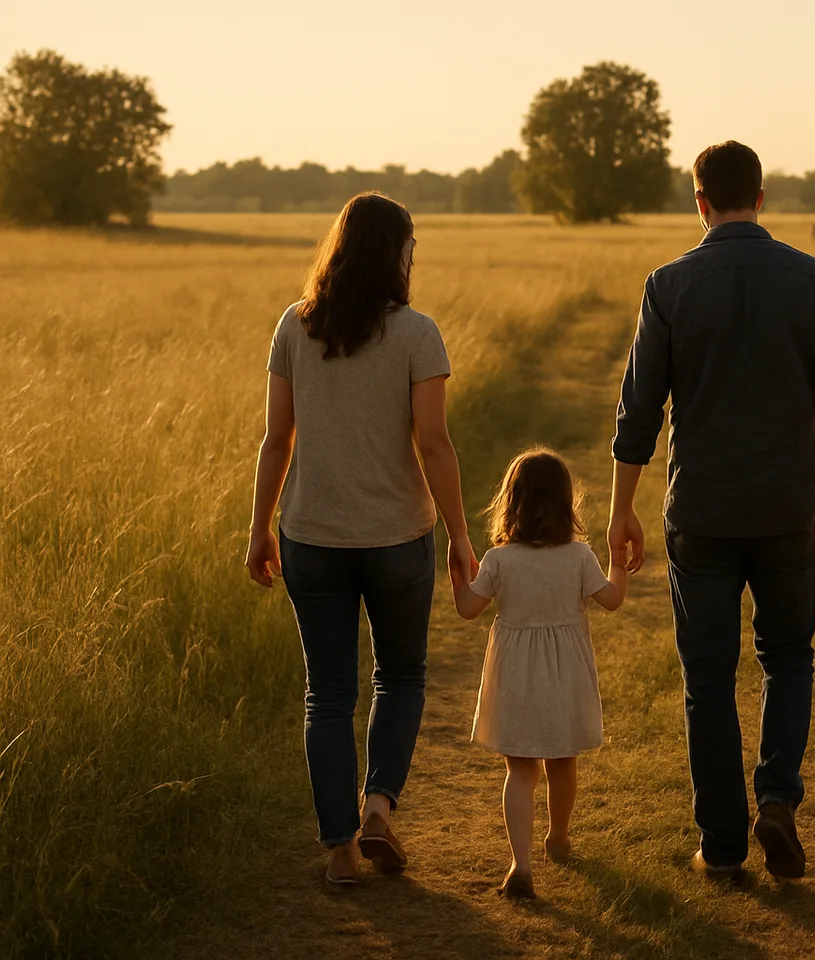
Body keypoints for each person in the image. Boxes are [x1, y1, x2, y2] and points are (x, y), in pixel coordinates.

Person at [608, 141, 815, 880]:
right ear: (762, 198)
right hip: (791, 507)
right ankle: (779, 800)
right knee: (789, 658)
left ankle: (722, 845)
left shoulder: (668, 285)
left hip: (702, 512)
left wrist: (622, 508)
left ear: (700, 202)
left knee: (708, 679)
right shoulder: (814, 280)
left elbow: (639, 413)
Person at [245, 192, 479, 887]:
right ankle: (379, 808)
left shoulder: (295, 325)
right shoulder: (417, 333)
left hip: (311, 535)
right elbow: (434, 445)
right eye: (411, 248)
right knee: (401, 676)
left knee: (327, 695)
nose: (414, 259)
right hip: (398, 537)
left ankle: (340, 852)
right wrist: (461, 536)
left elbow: (274, 441)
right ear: (395, 254)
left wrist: (259, 525)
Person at [453, 447, 627, 900]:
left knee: (521, 769)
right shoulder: (579, 556)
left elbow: (468, 609)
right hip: (564, 674)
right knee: (562, 761)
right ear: (566, 503)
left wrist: (459, 575)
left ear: (511, 503)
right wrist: (620, 563)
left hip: (515, 675)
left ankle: (521, 863)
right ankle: (558, 836)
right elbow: (611, 600)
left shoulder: (499, 559)